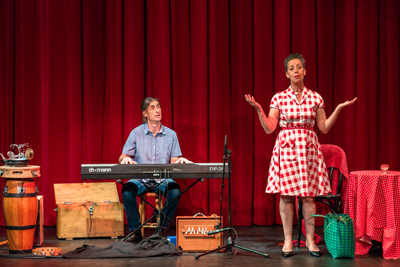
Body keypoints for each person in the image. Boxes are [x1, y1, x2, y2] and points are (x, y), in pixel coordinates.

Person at [245, 53, 356, 257]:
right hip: (287, 149)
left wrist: (339, 109)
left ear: (304, 71)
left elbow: (322, 127)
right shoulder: (279, 97)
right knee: (286, 197)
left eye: (299, 67)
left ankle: (310, 242)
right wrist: (260, 110)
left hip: (308, 150)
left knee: (308, 197)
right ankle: (288, 241)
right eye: (291, 68)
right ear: (287, 74)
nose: (296, 71)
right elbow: (270, 128)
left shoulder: (315, 97)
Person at [119, 97, 192, 243]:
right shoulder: (136, 133)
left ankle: (161, 228)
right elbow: (122, 156)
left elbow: (174, 162)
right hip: (141, 180)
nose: (157, 110)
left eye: (158, 106)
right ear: (145, 113)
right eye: (152, 107)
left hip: (162, 179)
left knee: (175, 191)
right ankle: (135, 231)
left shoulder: (171, 135)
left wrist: (180, 161)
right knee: (127, 190)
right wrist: (124, 159)